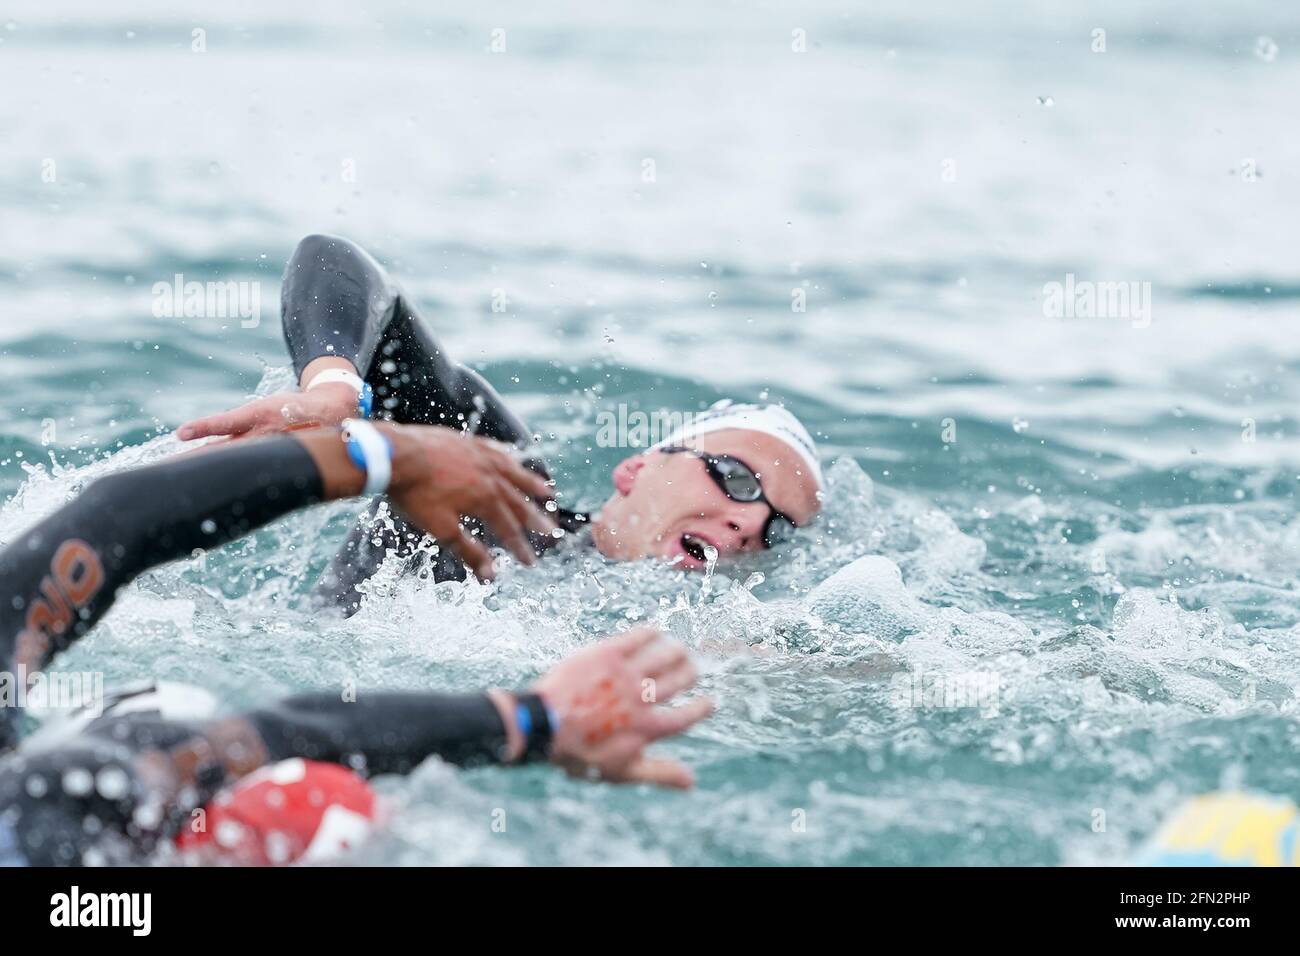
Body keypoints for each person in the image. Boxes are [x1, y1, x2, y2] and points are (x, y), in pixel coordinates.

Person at [0, 425, 712, 865]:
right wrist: (538, 719)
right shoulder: (50, 817)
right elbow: (272, 736)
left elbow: (116, 521)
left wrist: (389, 454)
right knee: (318, 807)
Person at [177, 234, 826, 611]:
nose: (749, 525)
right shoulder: (495, 488)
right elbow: (334, 260)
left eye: (779, 529)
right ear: (637, 467)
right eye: (739, 481)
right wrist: (333, 387)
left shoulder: (691, 639)